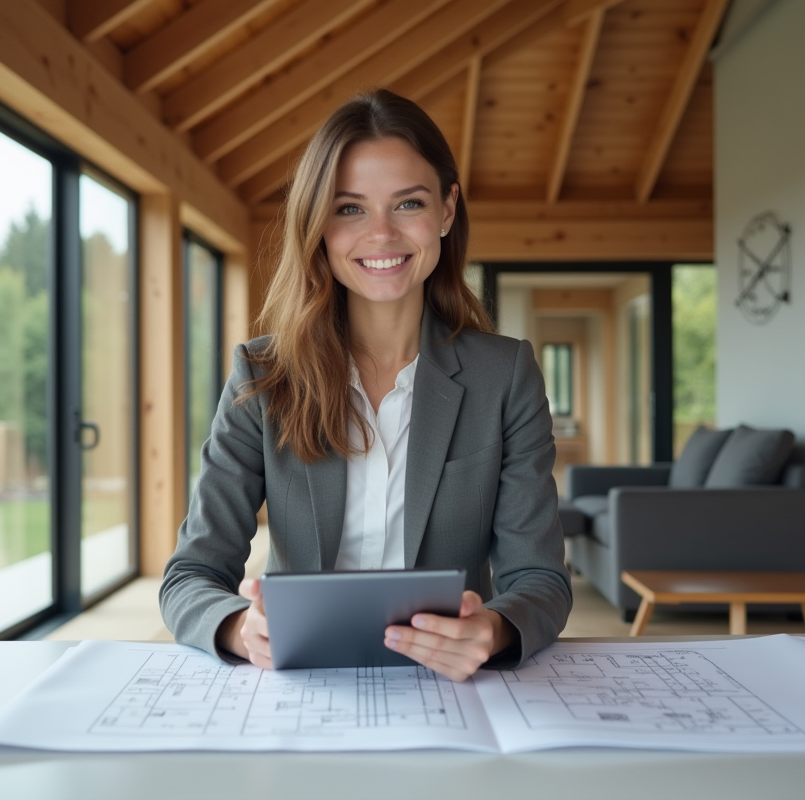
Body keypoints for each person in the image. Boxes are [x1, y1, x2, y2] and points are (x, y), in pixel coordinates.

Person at [160, 88, 571, 681]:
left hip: (451, 687)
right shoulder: (264, 375)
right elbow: (189, 576)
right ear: (318, 224)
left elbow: (541, 580)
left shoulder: (505, 376)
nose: (381, 234)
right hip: (300, 685)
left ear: (447, 211)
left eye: (409, 204)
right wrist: (238, 628)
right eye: (350, 209)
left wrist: (495, 629)